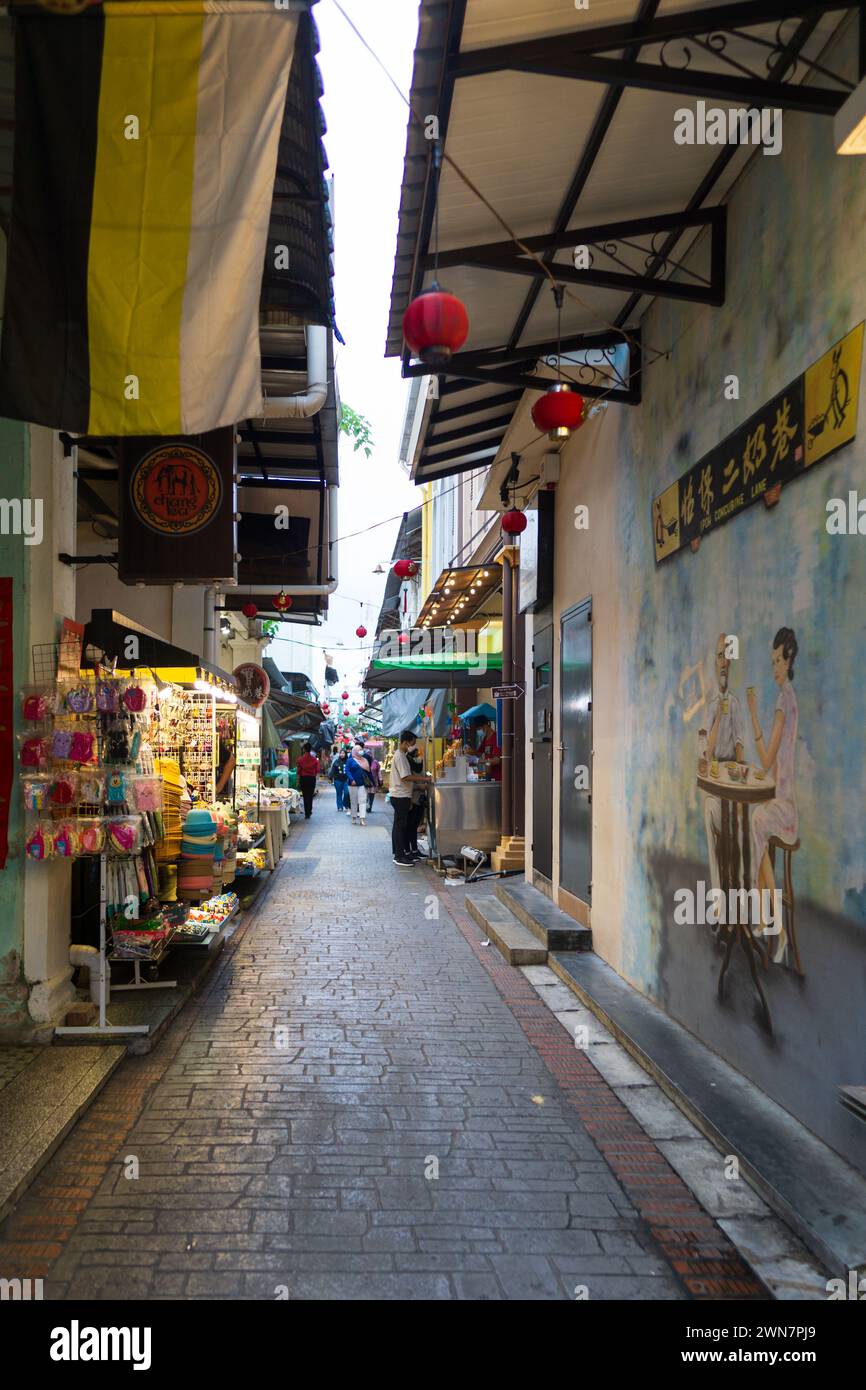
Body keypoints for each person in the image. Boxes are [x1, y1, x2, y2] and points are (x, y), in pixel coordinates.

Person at [747, 627, 800, 965]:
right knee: (755, 826)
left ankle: (772, 923)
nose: (775, 668)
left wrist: (753, 714)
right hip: (782, 802)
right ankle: (768, 919)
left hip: (787, 810)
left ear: (789, 658)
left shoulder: (783, 700)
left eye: (779, 661)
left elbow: (766, 763)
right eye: (772, 662)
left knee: (754, 822)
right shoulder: (789, 698)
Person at [703, 632, 746, 897]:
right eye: (719, 655)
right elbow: (707, 753)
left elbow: (740, 744)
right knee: (709, 811)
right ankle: (719, 896)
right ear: (715, 661)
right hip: (716, 785)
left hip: (734, 785)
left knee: (741, 827)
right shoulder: (711, 707)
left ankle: (739, 893)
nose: (723, 662)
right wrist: (718, 716)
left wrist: (739, 768)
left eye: (727, 656)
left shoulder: (738, 704)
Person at [389, 729, 430, 867]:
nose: (412, 746)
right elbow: (405, 776)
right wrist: (424, 779)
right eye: (411, 743)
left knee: (400, 826)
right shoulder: (400, 756)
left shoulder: (402, 754)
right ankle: (399, 856)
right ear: (406, 742)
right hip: (400, 795)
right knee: (401, 826)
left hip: (402, 795)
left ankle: (401, 853)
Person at [406, 743, 428, 859]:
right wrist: (420, 786)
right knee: (410, 826)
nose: (419, 755)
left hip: (419, 800)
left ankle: (414, 850)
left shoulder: (419, 763)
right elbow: (408, 781)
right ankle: (409, 851)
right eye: (417, 753)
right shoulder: (408, 765)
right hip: (412, 799)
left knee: (414, 826)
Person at [346, 744, 371, 825]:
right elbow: (347, 770)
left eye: (361, 749)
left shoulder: (365, 760)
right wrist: (352, 779)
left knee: (362, 801)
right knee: (353, 801)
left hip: (362, 784)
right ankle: (353, 817)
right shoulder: (350, 760)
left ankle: (362, 819)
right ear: (355, 751)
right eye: (359, 750)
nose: (361, 751)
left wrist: (373, 783)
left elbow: (369, 772)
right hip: (352, 784)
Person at [474, 716, 501, 782]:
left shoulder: (495, 738)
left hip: (497, 777)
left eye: (479, 728)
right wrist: (470, 752)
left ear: (485, 725)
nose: (478, 731)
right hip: (489, 775)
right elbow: (479, 753)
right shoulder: (486, 738)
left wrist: (480, 761)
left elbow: (497, 760)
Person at [296, 743, 320, 819]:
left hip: (303, 779)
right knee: (310, 795)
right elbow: (317, 770)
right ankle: (309, 811)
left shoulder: (300, 759)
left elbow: (298, 772)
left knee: (305, 795)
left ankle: (306, 812)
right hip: (311, 779)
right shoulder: (314, 760)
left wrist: (298, 781)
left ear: (304, 749)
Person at [328, 747, 349, 811]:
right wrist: (330, 778)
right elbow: (333, 770)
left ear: (345, 754)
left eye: (343, 753)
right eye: (341, 753)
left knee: (347, 793)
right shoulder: (336, 761)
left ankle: (345, 803)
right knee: (339, 793)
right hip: (337, 780)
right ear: (339, 754)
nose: (342, 754)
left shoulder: (348, 761)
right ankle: (340, 806)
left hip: (346, 780)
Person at [366, 748, 382, 814]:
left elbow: (379, 772)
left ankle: (370, 807)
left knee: (372, 795)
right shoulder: (364, 762)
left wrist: (380, 779)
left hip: (373, 781)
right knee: (366, 794)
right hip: (366, 781)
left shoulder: (375, 762)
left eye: (370, 754)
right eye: (368, 754)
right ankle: (366, 806)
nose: (369, 755)